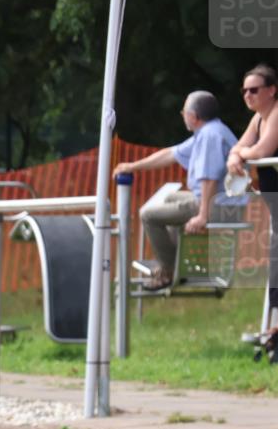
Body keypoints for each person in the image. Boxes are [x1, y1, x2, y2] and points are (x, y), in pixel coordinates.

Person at [114, 91, 244, 291]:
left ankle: (168, 269)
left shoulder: (210, 136)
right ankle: (176, 262)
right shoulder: (210, 131)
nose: (182, 115)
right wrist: (132, 166)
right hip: (222, 200)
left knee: (147, 215)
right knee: (170, 198)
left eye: (184, 111)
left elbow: (209, 177)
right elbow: (170, 154)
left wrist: (202, 215)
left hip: (219, 205)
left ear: (193, 116)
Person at [226, 64, 278, 335]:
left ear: (271, 90)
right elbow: (240, 147)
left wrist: (240, 155)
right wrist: (236, 156)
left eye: (254, 90)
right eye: (244, 90)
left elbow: (261, 150)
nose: (248, 95)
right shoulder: (258, 118)